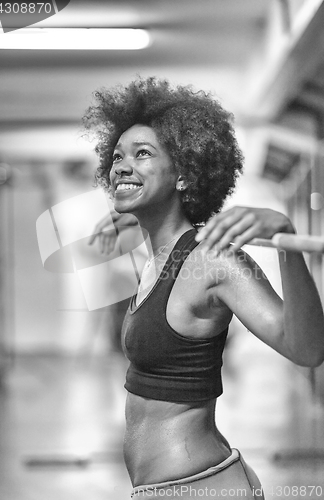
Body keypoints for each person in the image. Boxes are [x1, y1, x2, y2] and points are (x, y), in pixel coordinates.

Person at [84, 77, 324, 499]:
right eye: (118, 156)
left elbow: (307, 349)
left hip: (202, 489)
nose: (122, 165)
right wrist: (129, 218)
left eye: (143, 154)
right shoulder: (156, 258)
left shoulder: (213, 259)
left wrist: (287, 240)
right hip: (161, 489)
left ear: (183, 175)